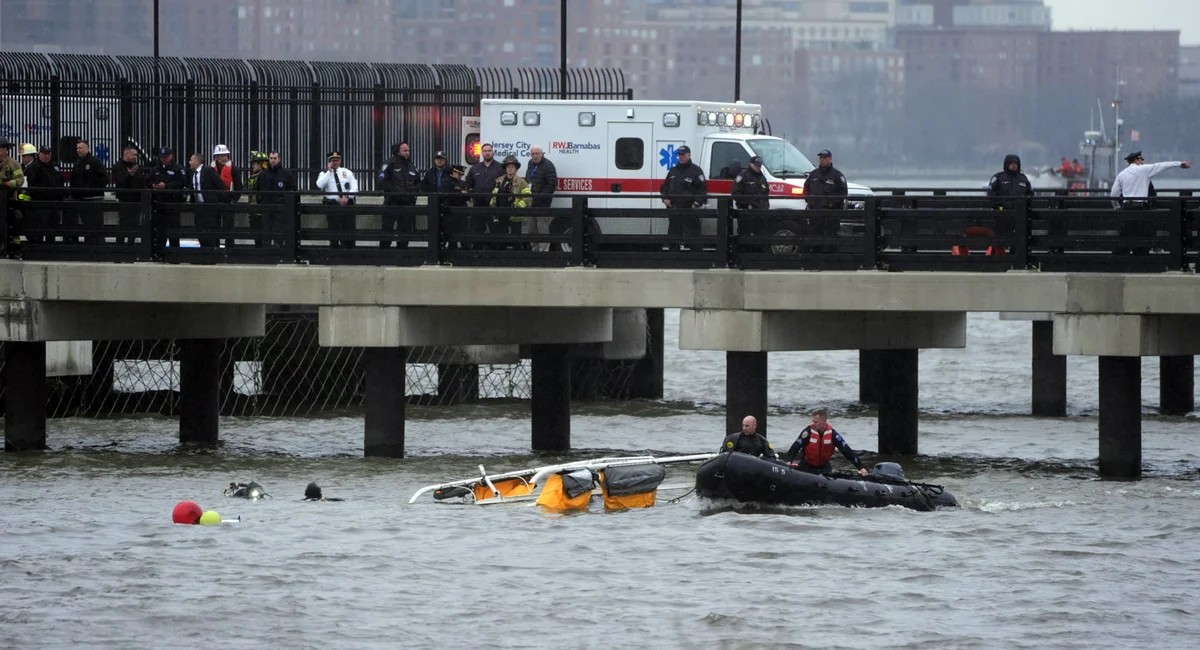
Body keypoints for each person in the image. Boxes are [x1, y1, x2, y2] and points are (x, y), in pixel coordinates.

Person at [1110, 151, 1191, 254]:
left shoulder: (1121, 174)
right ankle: (1141, 258)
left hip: (1127, 209)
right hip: (1141, 209)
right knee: (1143, 235)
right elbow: (1162, 165)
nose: (1142, 162)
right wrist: (1180, 164)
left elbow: (1113, 194)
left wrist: (1117, 208)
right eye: (1141, 160)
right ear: (1137, 160)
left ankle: (1120, 259)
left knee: (1126, 235)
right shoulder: (1144, 170)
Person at [783, 408, 869, 476]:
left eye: (815, 422)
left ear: (824, 421)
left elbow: (847, 451)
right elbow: (795, 447)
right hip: (807, 466)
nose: (813, 423)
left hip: (824, 467)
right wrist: (788, 461)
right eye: (813, 421)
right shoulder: (808, 431)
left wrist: (860, 467)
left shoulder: (833, 434)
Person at [659, 144, 707, 250]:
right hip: (674, 209)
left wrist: (696, 203)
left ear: (689, 155)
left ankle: (695, 260)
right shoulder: (673, 171)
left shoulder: (696, 171)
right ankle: (674, 259)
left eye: (683, 155)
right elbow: (664, 187)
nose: (681, 157)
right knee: (673, 236)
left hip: (690, 210)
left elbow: (702, 190)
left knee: (693, 237)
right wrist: (665, 198)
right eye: (679, 155)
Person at [802, 149, 846, 252]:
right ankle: (815, 260)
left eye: (825, 158)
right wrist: (810, 201)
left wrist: (832, 204)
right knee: (815, 237)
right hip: (815, 213)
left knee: (831, 239)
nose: (822, 160)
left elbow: (843, 193)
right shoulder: (813, 175)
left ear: (830, 159)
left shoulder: (837, 176)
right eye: (821, 158)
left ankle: (831, 261)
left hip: (831, 214)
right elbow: (805, 189)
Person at [378, 141, 420, 249]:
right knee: (387, 228)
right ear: (397, 152)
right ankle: (384, 253)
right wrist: (395, 191)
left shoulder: (411, 166)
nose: (407, 153)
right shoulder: (389, 164)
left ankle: (402, 253)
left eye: (408, 150)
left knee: (405, 229)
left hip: (407, 203)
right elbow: (382, 181)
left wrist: (413, 192)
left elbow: (418, 182)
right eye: (405, 150)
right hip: (392, 202)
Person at [315, 150, 358, 248]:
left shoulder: (347, 172)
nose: (335, 162)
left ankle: (348, 249)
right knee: (333, 228)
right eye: (333, 160)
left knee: (348, 228)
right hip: (332, 205)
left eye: (337, 160)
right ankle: (334, 248)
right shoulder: (324, 174)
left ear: (340, 161)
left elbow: (354, 188)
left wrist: (347, 196)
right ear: (329, 161)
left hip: (347, 204)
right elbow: (319, 185)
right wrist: (329, 172)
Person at [147, 147, 186, 253]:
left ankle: (174, 253)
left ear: (171, 156)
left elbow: (181, 183)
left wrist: (166, 186)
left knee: (173, 230)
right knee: (159, 231)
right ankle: (159, 253)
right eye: (161, 157)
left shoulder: (177, 168)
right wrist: (153, 185)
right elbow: (148, 181)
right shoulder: (155, 169)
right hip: (159, 204)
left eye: (165, 157)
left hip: (173, 203)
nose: (163, 159)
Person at [465, 143, 505, 245]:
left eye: (489, 151)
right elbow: (468, 183)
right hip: (478, 204)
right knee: (477, 229)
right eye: (485, 151)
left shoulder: (500, 168)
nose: (487, 153)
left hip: (494, 205)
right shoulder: (475, 168)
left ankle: (495, 252)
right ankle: (477, 251)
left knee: (495, 229)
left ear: (493, 152)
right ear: (482, 153)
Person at [22, 145, 63, 243]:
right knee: (40, 226)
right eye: (44, 153)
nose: (46, 156)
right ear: (39, 154)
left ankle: (51, 246)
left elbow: (60, 182)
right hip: (40, 204)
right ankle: (39, 247)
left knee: (52, 227)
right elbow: (32, 186)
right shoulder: (33, 167)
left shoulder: (55, 166)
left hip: (54, 203)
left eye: (48, 153)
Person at [254, 151, 296, 248]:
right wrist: (261, 200)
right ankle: (266, 250)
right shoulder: (263, 174)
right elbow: (257, 189)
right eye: (271, 158)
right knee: (266, 229)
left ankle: (279, 248)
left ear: (279, 159)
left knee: (279, 230)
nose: (272, 160)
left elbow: (292, 189)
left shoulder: (286, 173)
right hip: (266, 207)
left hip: (280, 208)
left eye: (275, 158)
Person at [71, 139, 108, 244]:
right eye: (77, 148)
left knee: (96, 225)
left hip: (94, 199)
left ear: (88, 149)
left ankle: (99, 247)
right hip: (81, 199)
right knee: (86, 226)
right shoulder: (77, 163)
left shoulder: (95, 162)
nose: (78, 150)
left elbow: (104, 179)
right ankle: (89, 247)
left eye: (80, 148)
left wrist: (91, 189)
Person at [490, 155, 531, 247]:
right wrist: (492, 205)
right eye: (508, 167)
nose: (510, 169)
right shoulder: (499, 180)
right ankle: (502, 258)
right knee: (501, 237)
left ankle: (516, 258)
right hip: (501, 213)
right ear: (505, 168)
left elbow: (528, 197)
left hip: (515, 215)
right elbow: (494, 195)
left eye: (512, 167)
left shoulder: (521, 182)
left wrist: (519, 207)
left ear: (516, 169)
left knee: (516, 238)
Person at [187, 153, 227, 249]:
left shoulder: (208, 171)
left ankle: (212, 251)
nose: (189, 162)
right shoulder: (192, 173)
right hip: (198, 206)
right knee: (200, 229)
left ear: (197, 161)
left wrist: (215, 199)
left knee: (211, 230)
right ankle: (203, 250)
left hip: (210, 207)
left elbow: (220, 185)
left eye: (191, 160)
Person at [524, 145, 558, 251]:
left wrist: (541, 196)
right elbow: (527, 179)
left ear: (542, 153)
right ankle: (534, 251)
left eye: (537, 153)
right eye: (533, 154)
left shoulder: (548, 166)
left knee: (542, 228)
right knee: (531, 229)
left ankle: (544, 251)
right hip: (530, 202)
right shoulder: (530, 163)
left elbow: (552, 184)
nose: (535, 156)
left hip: (542, 203)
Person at [111, 145, 146, 245]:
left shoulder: (136, 167)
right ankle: (120, 247)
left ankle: (131, 246)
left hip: (136, 200)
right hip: (124, 200)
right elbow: (120, 182)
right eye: (134, 154)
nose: (136, 156)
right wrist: (129, 175)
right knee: (123, 225)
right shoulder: (118, 167)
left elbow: (141, 182)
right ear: (127, 154)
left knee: (134, 225)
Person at [210, 144, 241, 247]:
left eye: (225, 155)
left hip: (228, 201)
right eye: (220, 156)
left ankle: (230, 248)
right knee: (214, 226)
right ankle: (215, 247)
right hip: (214, 202)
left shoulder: (234, 169)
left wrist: (234, 200)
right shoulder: (210, 170)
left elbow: (238, 187)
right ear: (216, 157)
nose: (223, 158)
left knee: (229, 227)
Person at [731, 154, 769, 237]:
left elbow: (766, 192)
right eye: (756, 165)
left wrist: (765, 206)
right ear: (751, 164)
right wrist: (747, 204)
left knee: (760, 236)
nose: (758, 167)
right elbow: (736, 193)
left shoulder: (762, 178)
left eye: (759, 165)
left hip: (760, 213)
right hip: (746, 213)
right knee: (745, 235)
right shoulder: (743, 176)